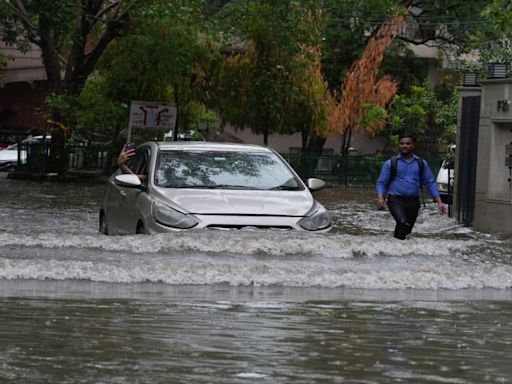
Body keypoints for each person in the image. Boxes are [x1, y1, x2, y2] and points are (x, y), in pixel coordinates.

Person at [376, 133, 447, 240]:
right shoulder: (391, 163)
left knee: (407, 229)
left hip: (413, 202)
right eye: (402, 143)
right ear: (398, 145)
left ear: (413, 146)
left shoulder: (421, 163)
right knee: (402, 222)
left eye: (408, 143)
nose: (404, 146)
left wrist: (439, 202)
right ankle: (396, 247)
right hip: (395, 200)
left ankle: (396, 247)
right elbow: (381, 182)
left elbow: (430, 183)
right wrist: (381, 199)